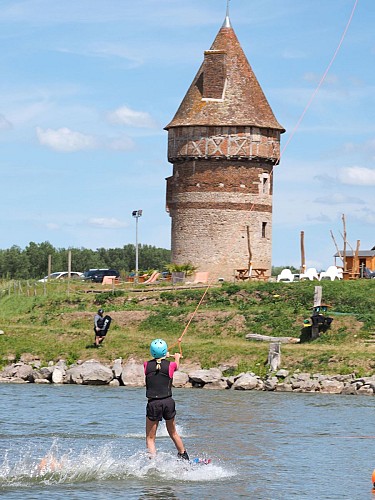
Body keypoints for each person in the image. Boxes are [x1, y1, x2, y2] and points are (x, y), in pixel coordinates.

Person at [144, 338, 189, 461]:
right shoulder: (171, 365)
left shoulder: (146, 365)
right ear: (165, 351)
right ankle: (184, 457)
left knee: (150, 437)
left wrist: (164, 355)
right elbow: (176, 366)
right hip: (168, 402)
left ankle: (153, 463)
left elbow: (157, 364)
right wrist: (177, 357)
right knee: (173, 432)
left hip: (153, 403)